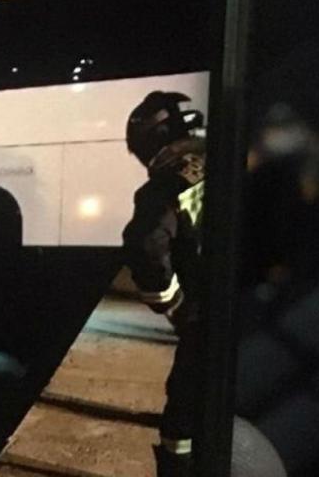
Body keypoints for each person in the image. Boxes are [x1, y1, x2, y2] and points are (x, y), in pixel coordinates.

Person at [122, 90, 206, 477]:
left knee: (183, 415)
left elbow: (146, 244)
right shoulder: (231, 159)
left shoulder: (165, 185)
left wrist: (173, 304)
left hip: (204, 313)